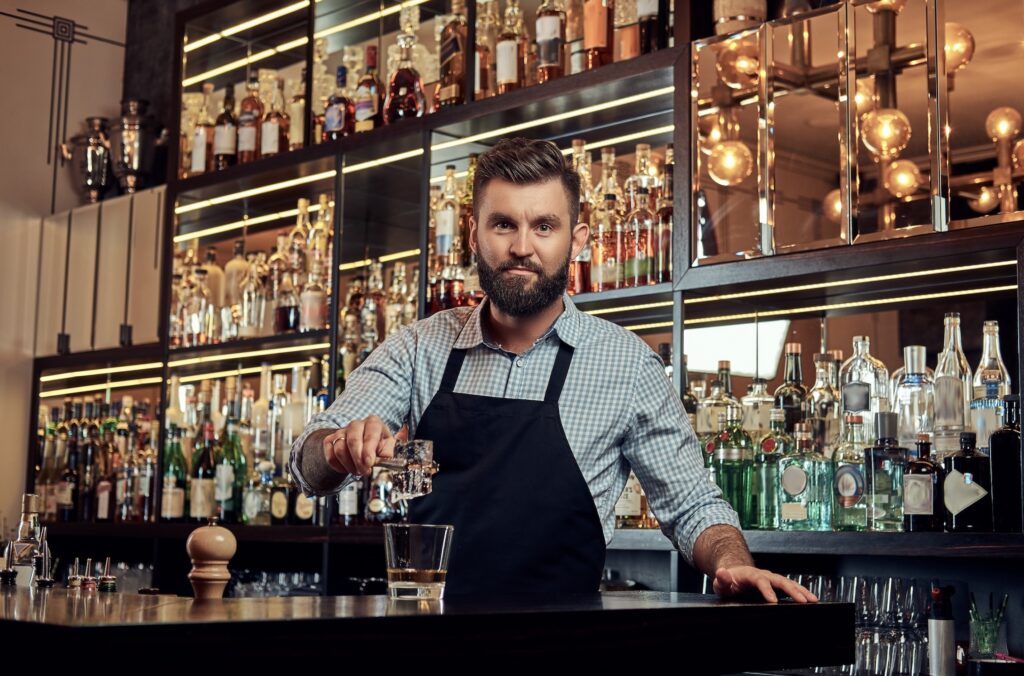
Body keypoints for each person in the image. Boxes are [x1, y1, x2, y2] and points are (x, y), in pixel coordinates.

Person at [290, 137, 815, 602]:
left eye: (544, 226)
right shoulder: (420, 347)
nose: (522, 246)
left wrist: (733, 563)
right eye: (503, 224)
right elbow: (306, 465)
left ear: (578, 240)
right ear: (474, 234)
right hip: (433, 647)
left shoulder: (627, 365)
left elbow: (692, 503)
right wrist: (338, 448)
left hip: (565, 652)